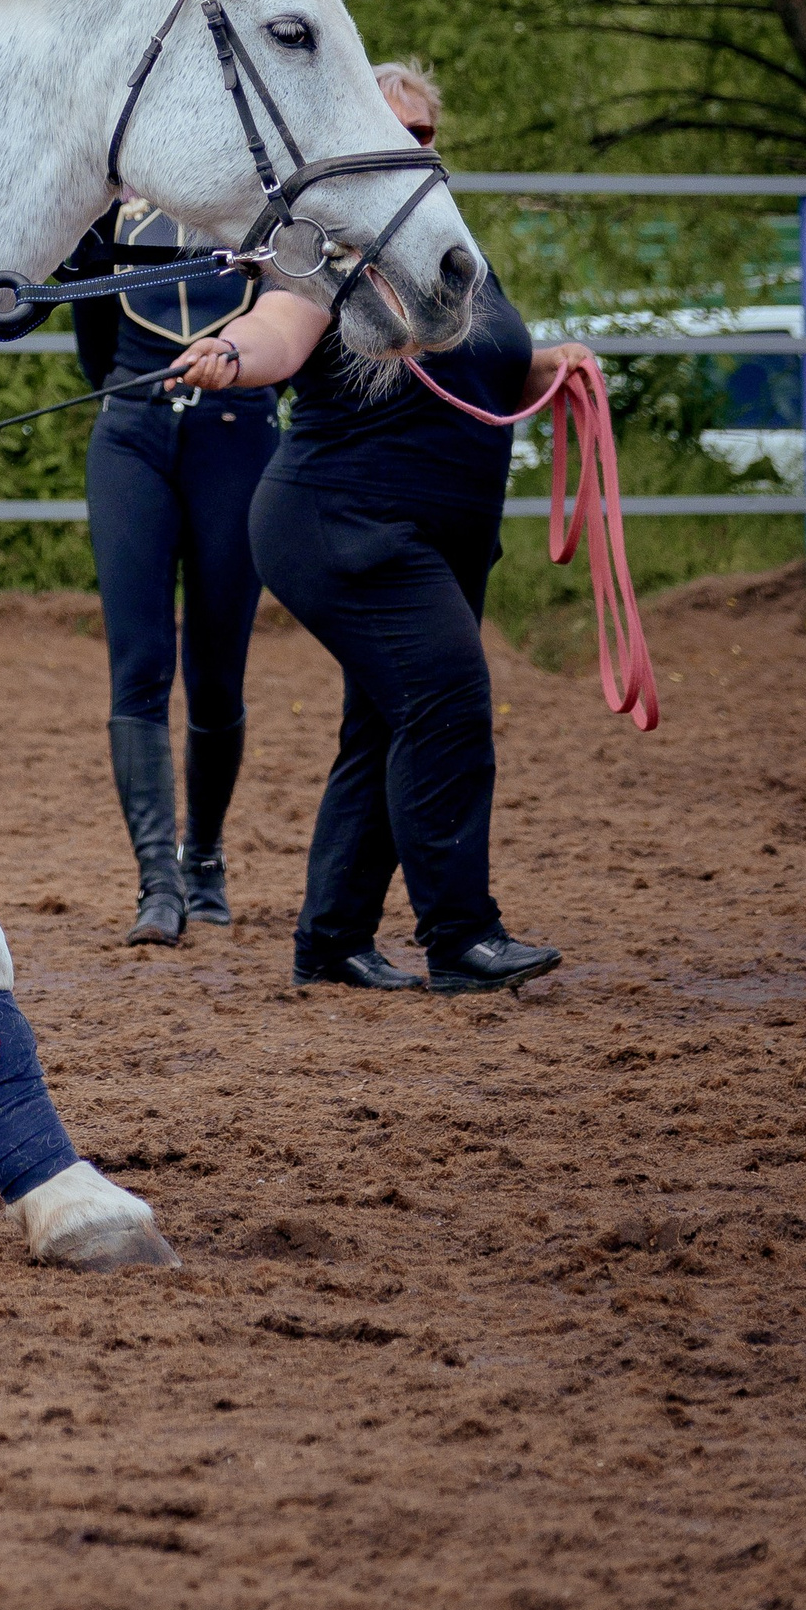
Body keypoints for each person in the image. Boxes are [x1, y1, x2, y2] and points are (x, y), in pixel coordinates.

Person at [161, 60, 592, 996]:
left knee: (385, 721)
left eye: (426, 136)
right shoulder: (325, 248)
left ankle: (333, 940)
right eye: (396, 134)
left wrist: (551, 366)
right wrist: (233, 356)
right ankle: (461, 936)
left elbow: (488, 374)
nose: (415, 151)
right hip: (340, 520)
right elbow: (279, 327)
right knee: (446, 702)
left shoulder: (453, 254)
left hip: (451, 529)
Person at [70, 201, 277, 947]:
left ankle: (206, 859)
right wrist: (138, 393)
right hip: (131, 430)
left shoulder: (266, 210)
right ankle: (158, 882)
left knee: (219, 670)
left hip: (238, 433)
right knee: (139, 665)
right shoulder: (113, 212)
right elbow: (93, 339)